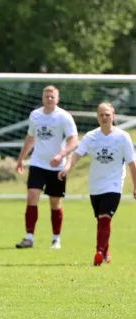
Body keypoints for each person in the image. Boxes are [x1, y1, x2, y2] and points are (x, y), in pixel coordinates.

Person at [58, 103, 136, 266]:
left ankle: (99, 252)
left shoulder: (123, 137)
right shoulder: (91, 137)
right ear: (97, 117)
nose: (105, 117)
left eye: (107, 114)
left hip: (114, 185)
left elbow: (131, 163)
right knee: (101, 220)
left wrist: (135, 185)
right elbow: (77, 155)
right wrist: (66, 167)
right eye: (101, 115)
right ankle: (106, 252)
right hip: (95, 185)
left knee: (105, 217)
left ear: (113, 116)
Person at [15, 85, 78, 249]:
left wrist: (61, 155)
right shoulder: (35, 115)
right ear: (42, 98)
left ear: (57, 99)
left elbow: (73, 140)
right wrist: (21, 158)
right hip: (38, 163)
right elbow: (30, 137)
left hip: (57, 167)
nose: (49, 99)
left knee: (55, 203)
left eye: (52, 96)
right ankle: (29, 237)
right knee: (32, 197)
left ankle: (56, 238)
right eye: (46, 96)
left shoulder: (64, 117)